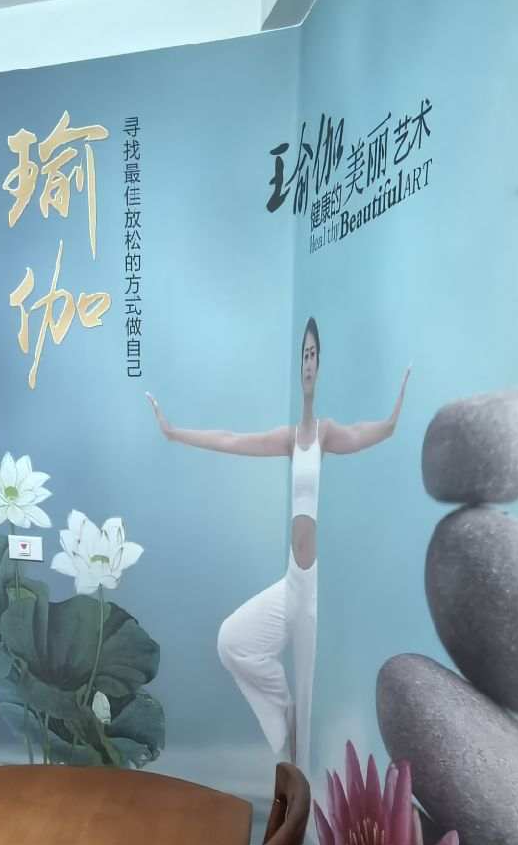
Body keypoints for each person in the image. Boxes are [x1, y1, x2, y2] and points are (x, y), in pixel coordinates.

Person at [147, 320, 409, 774]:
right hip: (291, 582)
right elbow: (231, 440)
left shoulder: (325, 434)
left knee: (307, 703)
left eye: (313, 355)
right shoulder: (290, 438)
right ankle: (281, 714)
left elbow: (374, 431)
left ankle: (295, 796)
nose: (308, 363)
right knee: (232, 640)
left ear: (320, 366)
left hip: (309, 588)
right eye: (303, 355)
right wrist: (174, 432)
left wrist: (395, 410)